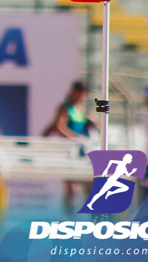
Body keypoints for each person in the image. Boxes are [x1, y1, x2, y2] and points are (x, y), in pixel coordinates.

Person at [42, 79, 99, 212]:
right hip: (69, 152)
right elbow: (58, 126)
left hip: (83, 152)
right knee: (71, 188)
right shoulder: (65, 108)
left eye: (83, 93)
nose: (80, 96)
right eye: (78, 93)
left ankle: (91, 220)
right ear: (73, 92)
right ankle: (69, 220)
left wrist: (93, 122)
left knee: (89, 186)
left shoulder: (83, 110)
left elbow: (95, 128)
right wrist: (75, 138)